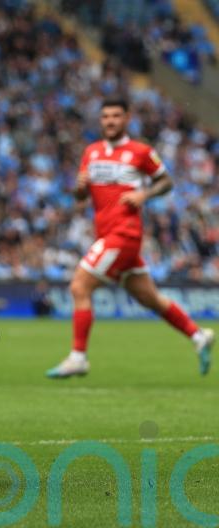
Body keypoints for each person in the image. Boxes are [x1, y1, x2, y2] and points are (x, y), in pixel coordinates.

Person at [46, 98, 214, 379]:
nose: (110, 121)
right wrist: (78, 189)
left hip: (124, 234)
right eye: (105, 117)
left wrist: (143, 194)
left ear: (126, 119)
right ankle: (199, 336)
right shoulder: (92, 152)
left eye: (115, 116)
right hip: (107, 233)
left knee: (79, 286)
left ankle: (78, 357)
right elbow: (81, 197)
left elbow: (166, 181)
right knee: (150, 298)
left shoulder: (141, 152)